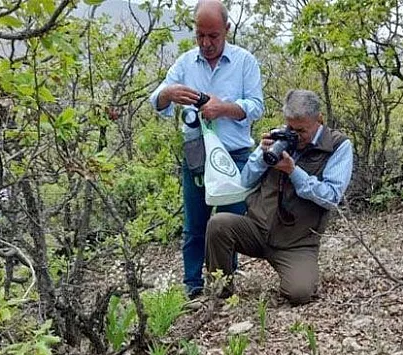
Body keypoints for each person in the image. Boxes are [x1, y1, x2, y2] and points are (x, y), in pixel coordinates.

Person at [149, 0, 264, 298]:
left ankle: (225, 285)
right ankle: (192, 287)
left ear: (226, 30)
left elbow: (256, 107)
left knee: (228, 223)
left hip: (234, 155)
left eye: (213, 36)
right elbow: (156, 102)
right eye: (200, 35)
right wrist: (167, 94)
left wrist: (222, 108)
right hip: (197, 155)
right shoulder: (186, 63)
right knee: (195, 222)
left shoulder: (244, 62)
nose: (206, 43)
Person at [205, 89, 354, 305]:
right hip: (257, 228)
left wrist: (294, 172)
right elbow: (244, 182)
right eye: (290, 128)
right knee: (218, 224)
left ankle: (295, 273)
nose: (295, 135)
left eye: (301, 130)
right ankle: (220, 295)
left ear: (319, 119)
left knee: (300, 293)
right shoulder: (278, 138)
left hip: (297, 241)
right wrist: (261, 157)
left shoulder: (338, 146)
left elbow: (331, 197)